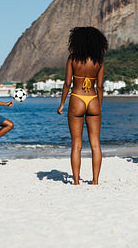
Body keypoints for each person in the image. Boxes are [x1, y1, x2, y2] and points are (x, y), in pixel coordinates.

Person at [57, 27, 108, 185]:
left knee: (76, 144)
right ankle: (95, 181)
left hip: (77, 98)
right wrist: (99, 106)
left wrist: (62, 104)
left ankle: (76, 181)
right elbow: (100, 87)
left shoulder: (73, 58)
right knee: (95, 143)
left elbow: (67, 83)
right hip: (92, 99)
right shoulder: (99, 61)